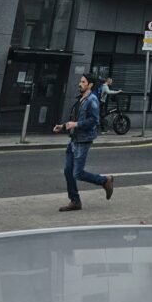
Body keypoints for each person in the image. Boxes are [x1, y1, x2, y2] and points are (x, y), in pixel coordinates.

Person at [53, 73, 114, 212]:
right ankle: (75, 201)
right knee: (68, 171)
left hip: (83, 140)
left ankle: (105, 181)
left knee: (77, 173)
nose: (80, 84)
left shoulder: (92, 100)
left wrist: (76, 125)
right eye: (80, 81)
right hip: (74, 139)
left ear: (90, 85)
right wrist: (63, 126)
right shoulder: (81, 99)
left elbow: (94, 121)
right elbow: (75, 120)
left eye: (83, 82)